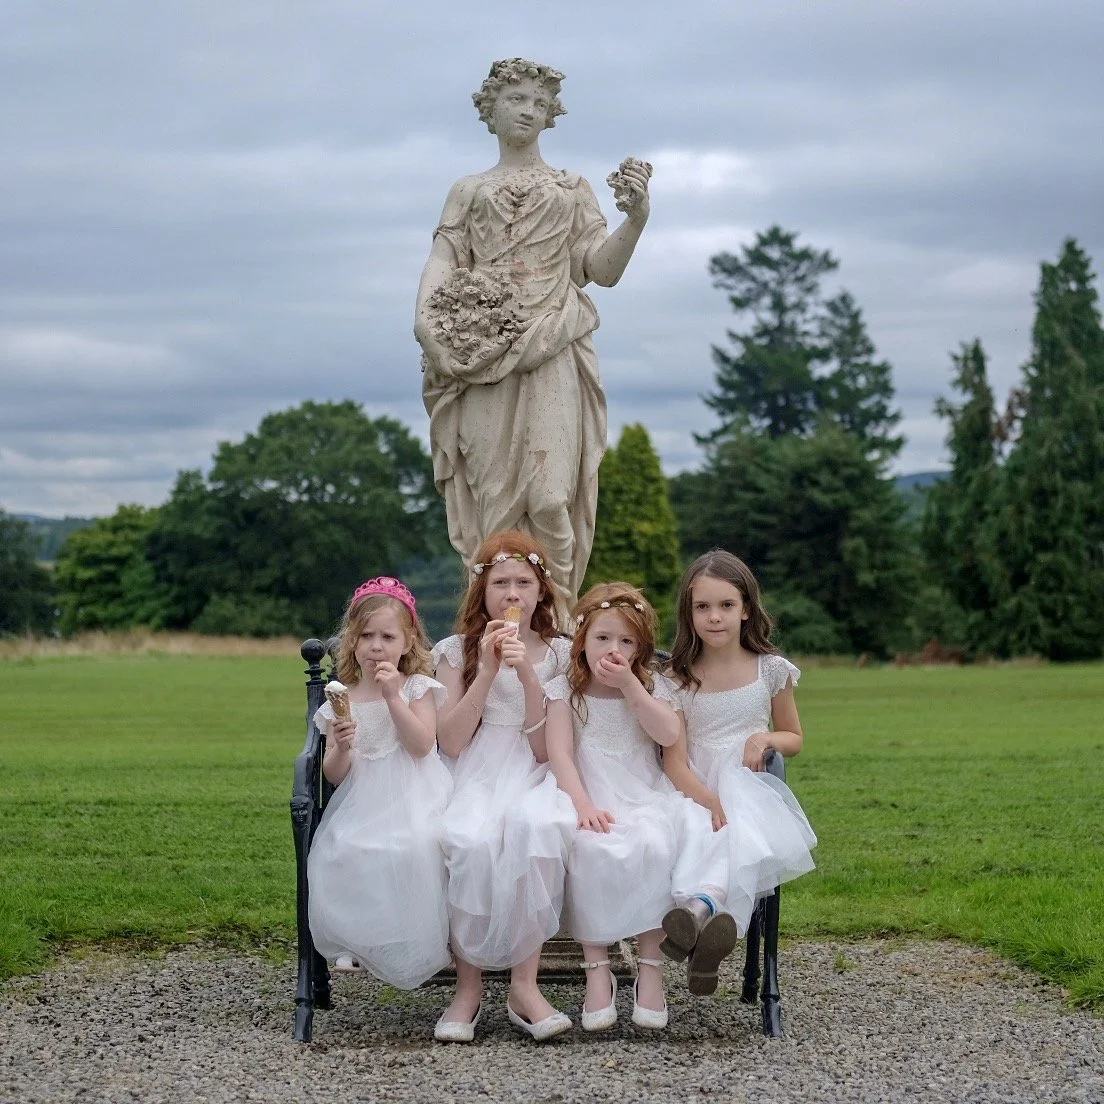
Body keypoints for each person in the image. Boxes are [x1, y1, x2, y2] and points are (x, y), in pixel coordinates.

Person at [414, 58, 652, 606]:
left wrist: (636, 220)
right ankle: (489, 626)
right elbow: (443, 258)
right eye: (516, 99)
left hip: (553, 344)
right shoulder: (468, 189)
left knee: (550, 498)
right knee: (491, 504)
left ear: (551, 117)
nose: (528, 110)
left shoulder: (570, 188)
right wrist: (428, 322)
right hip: (483, 355)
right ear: (490, 109)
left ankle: (559, 624)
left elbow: (603, 270)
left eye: (539, 103)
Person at [544, 582, 736, 1033]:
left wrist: (631, 686)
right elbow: (560, 755)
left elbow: (669, 735)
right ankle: (598, 970)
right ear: (582, 641)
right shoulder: (563, 691)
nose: (614, 649)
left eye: (626, 642)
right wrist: (583, 805)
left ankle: (650, 968)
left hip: (643, 794)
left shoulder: (653, 687)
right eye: (603, 639)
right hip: (590, 794)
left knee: (654, 843)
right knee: (590, 850)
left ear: (641, 648)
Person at [431, 531, 576, 1042]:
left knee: (534, 830)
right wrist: (488, 672)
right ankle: (466, 989)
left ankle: (524, 985)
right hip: (475, 765)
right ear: (482, 592)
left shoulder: (561, 653)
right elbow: (449, 742)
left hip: (537, 769)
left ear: (541, 593)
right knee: (469, 840)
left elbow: (545, 749)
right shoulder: (455, 651)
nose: (512, 594)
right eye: (500, 583)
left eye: (523, 583)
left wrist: (529, 677)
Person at [663, 550, 818, 943]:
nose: (714, 616)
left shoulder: (770, 669)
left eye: (726, 605)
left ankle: (699, 914)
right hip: (691, 787)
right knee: (695, 829)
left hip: (748, 784)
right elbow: (674, 762)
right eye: (703, 607)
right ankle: (707, 926)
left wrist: (762, 737)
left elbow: (794, 738)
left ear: (746, 609)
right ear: (689, 613)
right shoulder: (678, 679)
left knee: (738, 828)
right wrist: (709, 800)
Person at [307, 576, 453, 991]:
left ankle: (407, 939)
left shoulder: (417, 687)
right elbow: (336, 774)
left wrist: (394, 698)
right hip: (363, 798)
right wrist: (341, 747)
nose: (376, 646)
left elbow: (423, 745)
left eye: (387, 636)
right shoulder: (343, 696)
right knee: (343, 849)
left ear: (407, 642)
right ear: (351, 643)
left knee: (413, 845)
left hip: (416, 791)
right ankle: (355, 939)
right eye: (366, 636)